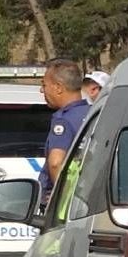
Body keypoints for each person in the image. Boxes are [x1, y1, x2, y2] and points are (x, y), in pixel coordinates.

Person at [39, 58, 90, 202]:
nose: (42, 90)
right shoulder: (94, 113)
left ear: (58, 88)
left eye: (44, 85)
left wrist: (64, 200)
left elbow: (55, 163)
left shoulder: (63, 121)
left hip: (65, 208)